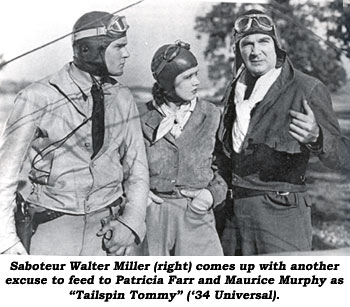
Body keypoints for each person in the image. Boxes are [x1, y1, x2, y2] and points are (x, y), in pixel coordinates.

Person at [0, 11, 149, 255]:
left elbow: (138, 168)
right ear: (91, 49)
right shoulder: (37, 96)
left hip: (108, 233)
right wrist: (5, 240)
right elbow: (4, 173)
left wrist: (130, 223)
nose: (127, 54)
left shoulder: (123, 97)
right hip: (52, 233)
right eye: (119, 46)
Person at [216, 9, 344, 255]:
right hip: (234, 217)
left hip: (281, 214)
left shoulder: (306, 88)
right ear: (239, 50)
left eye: (263, 41)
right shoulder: (235, 91)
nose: (255, 51)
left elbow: (343, 157)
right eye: (247, 44)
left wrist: (317, 138)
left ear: (276, 45)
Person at [137, 41, 227, 256]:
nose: (196, 82)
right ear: (167, 83)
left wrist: (211, 195)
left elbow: (226, 166)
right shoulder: (141, 115)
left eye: (196, 74)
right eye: (187, 77)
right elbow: (124, 163)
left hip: (196, 213)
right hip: (151, 215)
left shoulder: (211, 114)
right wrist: (141, 196)